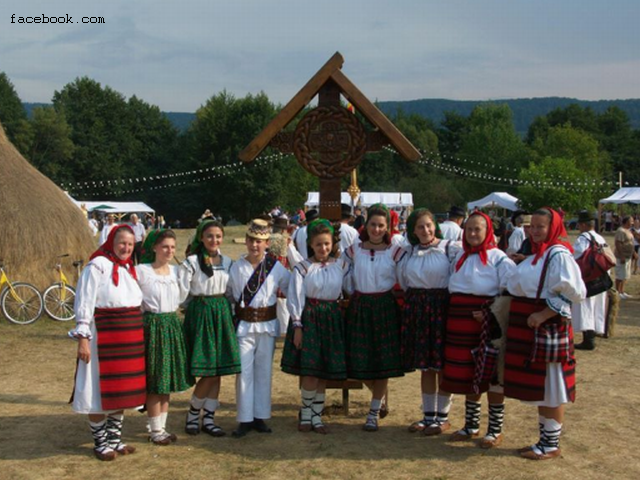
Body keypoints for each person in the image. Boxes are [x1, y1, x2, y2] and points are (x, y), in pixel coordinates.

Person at [504, 208, 586, 460]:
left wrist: (543, 315)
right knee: (543, 386)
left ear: (553, 228)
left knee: (553, 386)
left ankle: (551, 444)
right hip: (532, 327)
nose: (535, 231)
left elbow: (572, 293)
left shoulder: (558, 254)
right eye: (532, 226)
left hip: (548, 327)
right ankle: (544, 441)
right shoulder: (538, 254)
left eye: (541, 227)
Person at [69, 225, 144, 461]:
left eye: (130, 244)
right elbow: (85, 301)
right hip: (103, 336)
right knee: (97, 391)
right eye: (122, 243)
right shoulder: (97, 266)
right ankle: (101, 443)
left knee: (120, 391)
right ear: (111, 241)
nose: (126, 248)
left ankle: (115, 439)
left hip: (127, 338)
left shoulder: (129, 268)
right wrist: (83, 339)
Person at [441, 212, 515, 448]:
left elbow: (510, 291)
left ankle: (494, 430)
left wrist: (490, 313)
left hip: (487, 323)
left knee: (491, 375)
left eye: (477, 230)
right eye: (469, 229)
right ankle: (471, 425)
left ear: (488, 231)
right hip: (459, 322)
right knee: (468, 376)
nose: (472, 234)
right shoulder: (459, 256)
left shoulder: (498, 258)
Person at [342, 203, 406, 432]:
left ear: (388, 227)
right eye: (372, 224)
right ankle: (379, 399)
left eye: (381, 225)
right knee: (357, 360)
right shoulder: (354, 249)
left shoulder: (394, 251)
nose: (376, 229)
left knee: (383, 363)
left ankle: (373, 411)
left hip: (384, 308)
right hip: (360, 307)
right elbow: (342, 271)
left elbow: (405, 276)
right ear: (365, 225)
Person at [281, 219, 348, 434]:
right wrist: (298, 326)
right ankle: (307, 414)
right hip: (309, 319)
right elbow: (296, 296)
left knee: (323, 371)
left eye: (327, 244)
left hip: (331, 320)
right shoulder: (302, 268)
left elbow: (350, 288)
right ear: (311, 244)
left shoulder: (340, 265)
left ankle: (317, 417)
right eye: (319, 244)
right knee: (310, 371)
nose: (323, 248)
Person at [397, 209, 459, 435]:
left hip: (441, 307)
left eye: (429, 225)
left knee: (441, 365)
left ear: (435, 226)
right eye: (420, 227)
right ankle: (428, 416)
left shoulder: (450, 248)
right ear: (413, 231)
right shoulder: (409, 253)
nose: (425, 230)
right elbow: (403, 280)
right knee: (426, 367)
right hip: (419, 309)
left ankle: (443, 417)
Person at [227, 219, 290, 437]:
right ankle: (244, 419)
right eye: (252, 241)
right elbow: (228, 295)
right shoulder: (236, 267)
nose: (255, 245)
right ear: (246, 241)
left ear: (266, 244)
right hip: (244, 327)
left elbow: (291, 286)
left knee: (263, 372)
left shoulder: (275, 267)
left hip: (268, 326)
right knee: (244, 373)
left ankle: (260, 417)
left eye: (260, 242)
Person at [179, 220, 241, 438]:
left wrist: (233, 314)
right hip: (202, 313)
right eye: (210, 236)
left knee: (218, 371)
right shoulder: (192, 262)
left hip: (222, 313)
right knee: (208, 370)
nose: (214, 240)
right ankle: (193, 413)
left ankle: (209, 418)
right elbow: (182, 293)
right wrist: (189, 310)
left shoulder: (228, 262)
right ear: (201, 238)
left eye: (218, 236)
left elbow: (232, 291)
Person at [136, 229, 193, 445]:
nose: (169, 251)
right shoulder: (142, 271)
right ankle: (155, 430)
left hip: (171, 324)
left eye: (172, 247)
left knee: (167, 380)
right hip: (152, 326)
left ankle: (161, 427)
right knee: (155, 381)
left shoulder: (176, 272)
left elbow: (184, 296)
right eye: (165, 247)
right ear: (154, 248)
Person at [571, 211, 608, 350]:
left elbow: (576, 256)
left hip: (587, 276)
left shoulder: (583, 238)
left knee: (585, 306)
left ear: (584, 225)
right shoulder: (600, 238)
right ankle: (591, 335)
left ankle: (588, 338)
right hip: (600, 275)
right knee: (596, 305)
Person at [614, 216, 634, 299]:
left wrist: (634, 253)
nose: (632, 222)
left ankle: (622, 291)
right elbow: (618, 243)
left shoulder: (628, 231)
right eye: (631, 221)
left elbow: (630, 242)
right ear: (626, 222)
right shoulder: (620, 231)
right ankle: (617, 292)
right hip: (622, 256)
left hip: (628, 256)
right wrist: (621, 255)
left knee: (625, 275)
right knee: (620, 275)